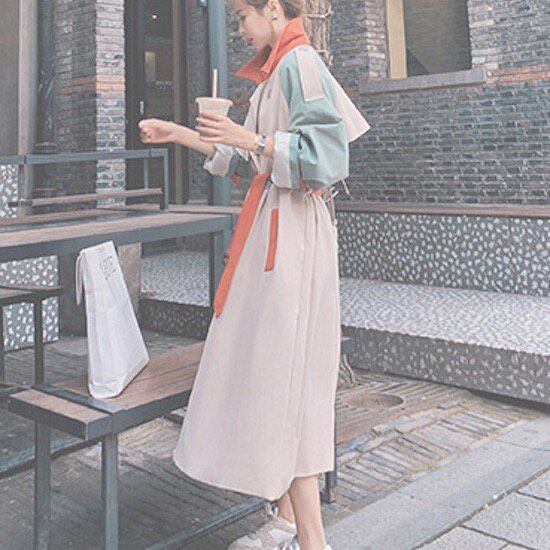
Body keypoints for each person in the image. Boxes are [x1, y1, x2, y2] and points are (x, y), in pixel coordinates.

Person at [138, 1, 370, 548]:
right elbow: (245, 158)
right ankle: (289, 521)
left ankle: (311, 539)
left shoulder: (300, 63)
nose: (238, 27)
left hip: (292, 232)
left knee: (284, 377)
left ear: (272, 8)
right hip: (273, 228)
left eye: (243, 15)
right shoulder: (276, 69)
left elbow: (326, 157)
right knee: (274, 374)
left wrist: (249, 140)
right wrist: (178, 132)